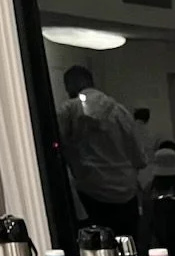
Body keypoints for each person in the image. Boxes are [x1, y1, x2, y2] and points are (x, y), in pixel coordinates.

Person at [57, 65, 147, 239]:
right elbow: (138, 155)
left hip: (90, 191)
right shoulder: (119, 111)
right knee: (128, 243)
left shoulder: (68, 111)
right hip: (125, 190)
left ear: (69, 85)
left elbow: (60, 146)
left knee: (98, 245)